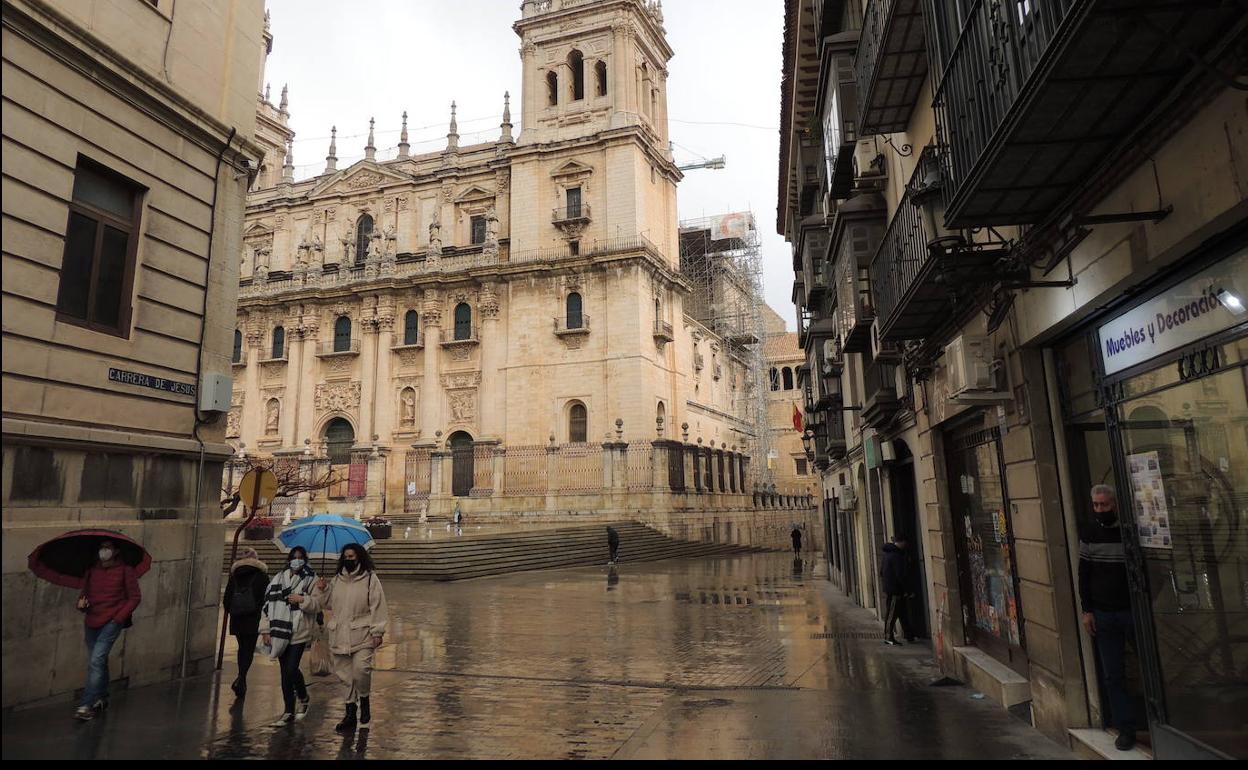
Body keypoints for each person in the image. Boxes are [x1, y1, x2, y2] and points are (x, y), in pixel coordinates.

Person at [295, 543, 388, 734]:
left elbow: (378, 605)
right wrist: (322, 589)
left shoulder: (370, 579)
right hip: (338, 635)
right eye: (345, 556)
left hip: (362, 634)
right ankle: (350, 713)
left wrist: (378, 631)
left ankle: (365, 701)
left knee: (361, 670)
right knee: (345, 677)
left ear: (359, 557)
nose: (348, 559)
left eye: (351, 556)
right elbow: (326, 603)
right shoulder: (337, 579)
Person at [1079, 485, 1138, 751]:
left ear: (1114, 504)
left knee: (1148, 667)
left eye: (1104, 505)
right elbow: (1084, 574)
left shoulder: (1128, 532)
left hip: (1132, 611)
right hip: (1103, 613)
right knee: (1113, 674)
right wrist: (1087, 610)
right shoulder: (1090, 534)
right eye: (1096, 505)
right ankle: (1126, 728)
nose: (1100, 509)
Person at [73, 539, 141, 721]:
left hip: (111, 621)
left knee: (96, 660)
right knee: (98, 661)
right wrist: (81, 605)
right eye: (101, 547)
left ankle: (86, 704)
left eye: (107, 547)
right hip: (91, 620)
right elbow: (84, 595)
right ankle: (101, 697)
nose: (104, 551)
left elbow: (135, 597)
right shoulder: (91, 571)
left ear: (116, 551)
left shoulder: (125, 570)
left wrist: (118, 617)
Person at [260, 546, 318, 725]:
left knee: (291, 668)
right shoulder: (278, 578)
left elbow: (318, 605)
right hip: (279, 630)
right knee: (285, 671)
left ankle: (302, 695)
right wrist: (265, 630)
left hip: (299, 631)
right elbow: (267, 605)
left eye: (300, 557)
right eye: (294, 557)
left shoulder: (312, 579)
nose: (296, 560)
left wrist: (302, 600)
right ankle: (288, 711)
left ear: (305, 560)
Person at [223, 547, 269, 698]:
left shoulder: (234, 575)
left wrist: (233, 610)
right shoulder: (261, 575)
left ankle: (241, 678)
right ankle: (241, 678)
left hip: (237, 618)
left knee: (242, 647)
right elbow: (266, 599)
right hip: (253, 618)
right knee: (248, 649)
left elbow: (227, 599)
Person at [881, 534, 914, 645]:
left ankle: (909, 635)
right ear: (902, 542)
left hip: (893, 588)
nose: (906, 545)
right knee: (892, 614)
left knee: (902, 613)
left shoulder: (887, 554)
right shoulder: (896, 556)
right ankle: (888, 637)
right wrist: (907, 590)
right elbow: (900, 575)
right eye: (905, 543)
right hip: (895, 590)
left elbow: (881, 572)